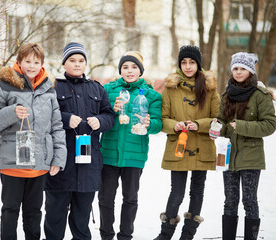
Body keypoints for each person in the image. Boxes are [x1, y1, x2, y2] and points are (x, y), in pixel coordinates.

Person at [0, 42, 67, 240]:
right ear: (19, 62)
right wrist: (12, 112)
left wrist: (58, 159)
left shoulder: (49, 90)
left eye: (36, 62)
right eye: (27, 61)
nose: (31, 66)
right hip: (13, 163)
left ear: (42, 64)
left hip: (39, 164)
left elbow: (56, 127)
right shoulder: (3, 86)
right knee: (10, 210)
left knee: (34, 212)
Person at [43, 42, 115, 240]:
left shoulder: (97, 89)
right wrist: (65, 118)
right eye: (72, 60)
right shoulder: (53, 87)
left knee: (81, 219)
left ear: (86, 64)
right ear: (64, 64)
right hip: (61, 163)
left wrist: (100, 121)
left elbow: (110, 116)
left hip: (88, 164)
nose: (77, 64)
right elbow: (44, 115)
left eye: (81, 60)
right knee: (55, 215)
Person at [154, 45, 220, 240]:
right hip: (179, 147)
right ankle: (165, 234)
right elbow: (162, 118)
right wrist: (175, 125)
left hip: (202, 146)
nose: (188, 66)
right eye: (184, 62)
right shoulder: (170, 88)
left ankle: (188, 235)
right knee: (177, 192)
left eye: (192, 62)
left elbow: (218, 119)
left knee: (197, 191)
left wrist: (198, 124)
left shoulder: (209, 89)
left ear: (198, 64)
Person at [209, 52, 276, 240]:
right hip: (229, 156)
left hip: (251, 157)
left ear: (250, 71)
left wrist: (242, 126)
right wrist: (217, 128)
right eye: (235, 68)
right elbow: (222, 120)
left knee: (249, 201)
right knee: (230, 201)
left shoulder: (260, 95)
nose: (238, 72)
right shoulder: (227, 94)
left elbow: (270, 125)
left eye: (243, 69)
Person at [98, 51, 163, 240]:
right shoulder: (108, 90)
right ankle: (106, 235)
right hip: (109, 153)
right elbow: (99, 116)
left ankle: (125, 236)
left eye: (134, 67)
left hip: (134, 156)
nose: (129, 70)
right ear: (120, 70)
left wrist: (148, 123)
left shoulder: (151, 95)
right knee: (105, 199)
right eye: (125, 67)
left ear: (141, 70)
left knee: (130, 199)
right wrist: (112, 110)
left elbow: (158, 125)